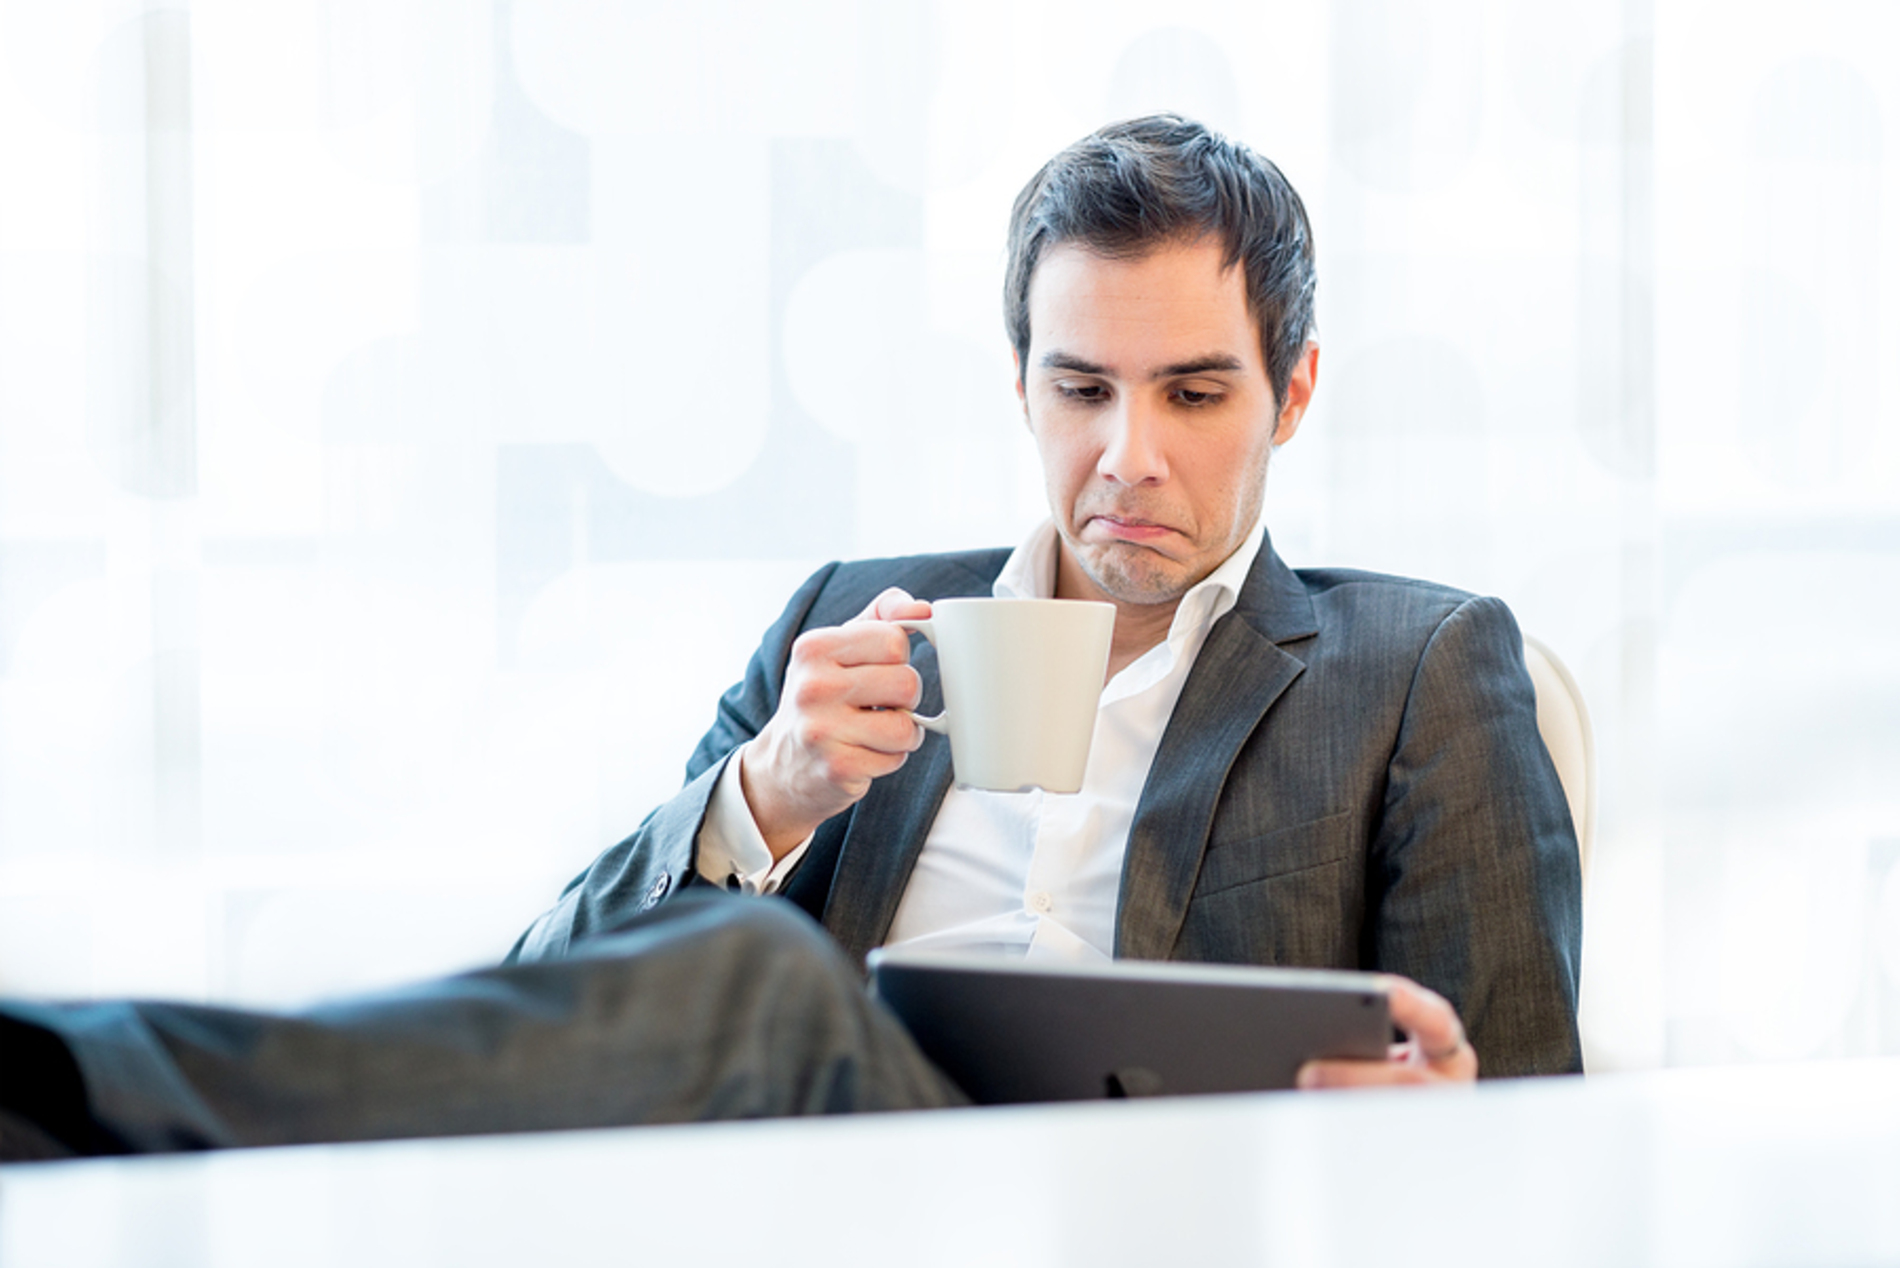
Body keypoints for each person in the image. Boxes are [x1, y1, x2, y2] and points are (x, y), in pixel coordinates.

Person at [0, 115, 1579, 1163]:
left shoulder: (1416, 669)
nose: (1128, 458)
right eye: (1081, 389)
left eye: (1194, 391)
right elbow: (556, 996)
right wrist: (766, 796)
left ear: (1291, 392)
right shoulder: (853, 618)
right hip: (823, 1204)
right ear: (1018, 382)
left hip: (1178, 1217)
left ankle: (71, 1093)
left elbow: (1529, 1131)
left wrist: (1432, 1142)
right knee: (737, 966)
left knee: (761, 979)